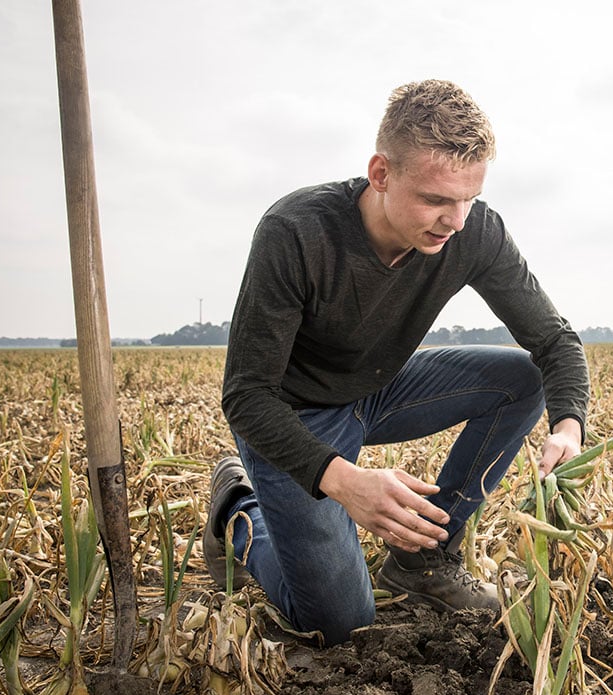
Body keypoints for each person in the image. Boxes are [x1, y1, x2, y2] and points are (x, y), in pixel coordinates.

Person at [202, 79, 591, 646]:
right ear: (381, 174)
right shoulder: (297, 232)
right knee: (339, 626)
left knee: (523, 380)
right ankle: (238, 512)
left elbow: (554, 341)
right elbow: (245, 397)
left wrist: (569, 426)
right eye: (436, 200)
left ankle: (422, 562)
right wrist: (345, 481)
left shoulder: (473, 232)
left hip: (382, 389)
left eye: (469, 199)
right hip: (297, 415)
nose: (455, 220)